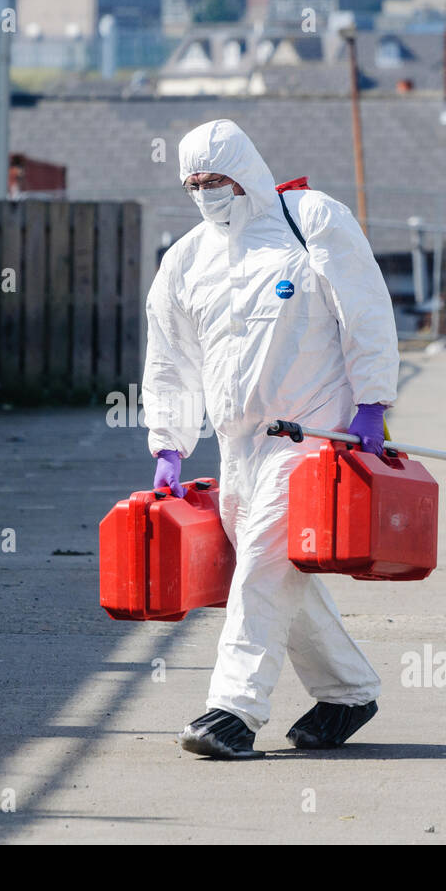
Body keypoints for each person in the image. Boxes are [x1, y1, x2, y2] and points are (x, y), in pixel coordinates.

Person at [142, 118, 400, 759]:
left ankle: (234, 710)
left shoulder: (308, 219)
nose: (206, 194)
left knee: (261, 568)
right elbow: (170, 356)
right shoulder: (187, 258)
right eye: (194, 183)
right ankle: (348, 692)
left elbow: (365, 307)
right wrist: (169, 442)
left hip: (311, 435)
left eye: (217, 180)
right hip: (239, 447)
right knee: (280, 570)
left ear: (246, 172)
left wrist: (372, 403)